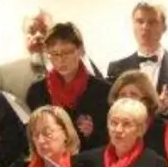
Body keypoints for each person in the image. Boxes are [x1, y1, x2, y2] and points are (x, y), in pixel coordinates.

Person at [26, 22, 110, 151]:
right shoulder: (37, 92)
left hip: (90, 163)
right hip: (53, 162)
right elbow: (34, 135)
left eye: (67, 52)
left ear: (80, 50)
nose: (61, 60)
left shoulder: (102, 90)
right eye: (54, 54)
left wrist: (92, 133)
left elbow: (109, 137)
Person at [105, 2, 168, 113]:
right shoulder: (116, 68)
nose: (145, 27)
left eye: (152, 22)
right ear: (133, 26)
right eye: (140, 21)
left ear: (164, 27)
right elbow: (110, 108)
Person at [0, 9, 53, 104]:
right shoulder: (4, 74)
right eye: (32, 31)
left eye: (44, 31)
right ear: (24, 33)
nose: (38, 35)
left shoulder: (67, 70)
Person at [108, 68, 165, 150]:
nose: (127, 99)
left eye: (133, 95)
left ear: (147, 100)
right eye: (122, 95)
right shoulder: (109, 126)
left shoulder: (161, 130)